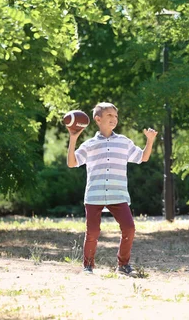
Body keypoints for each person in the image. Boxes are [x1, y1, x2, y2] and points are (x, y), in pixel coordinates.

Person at [67, 102, 158, 276]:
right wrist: (73, 139)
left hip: (118, 194)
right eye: (109, 115)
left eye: (116, 116)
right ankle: (88, 266)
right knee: (93, 232)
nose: (114, 119)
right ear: (98, 119)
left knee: (129, 228)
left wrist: (150, 140)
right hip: (94, 195)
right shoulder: (89, 144)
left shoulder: (124, 142)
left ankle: (123, 265)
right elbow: (72, 163)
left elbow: (143, 157)